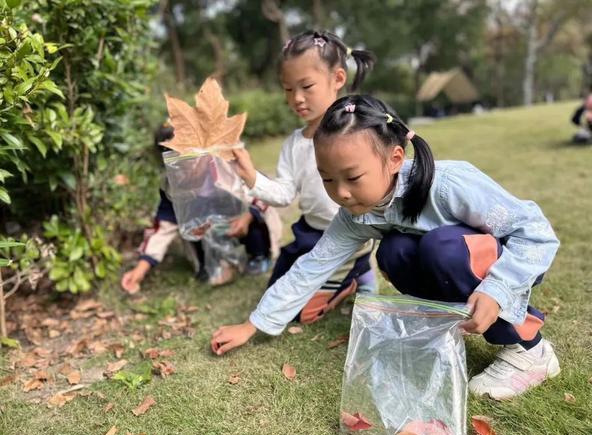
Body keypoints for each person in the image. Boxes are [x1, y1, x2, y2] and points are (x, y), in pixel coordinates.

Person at [212, 94, 561, 401]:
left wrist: (498, 288)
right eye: (328, 179)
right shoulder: (355, 214)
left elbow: (535, 232)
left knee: (443, 248)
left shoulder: (448, 185)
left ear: (395, 159)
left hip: (505, 266)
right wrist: (253, 324)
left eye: (353, 177)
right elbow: (311, 267)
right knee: (393, 252)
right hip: (459, 264)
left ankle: (530, 350)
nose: (341, 193)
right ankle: (445, 330)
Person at [231, 30, 378, 325]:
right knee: (273, 296)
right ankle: (355, 274)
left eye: (306, 86)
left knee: (302, 313)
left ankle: (357, 274)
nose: (296, 98)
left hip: (348, 237)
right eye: (287, 89)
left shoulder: (358, 132)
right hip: (310, 235)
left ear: (338, 79)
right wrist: (250, 177)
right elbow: (285, 194)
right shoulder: (294, 144)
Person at [121, 123, 281, 293]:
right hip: (212, 229)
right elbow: (163, 227)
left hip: (243, 220)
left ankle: (259, 254)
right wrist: (140, 270)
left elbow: (263, 191)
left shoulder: (227, 165)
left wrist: (248, 217)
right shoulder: (172, 187)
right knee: (190, 225)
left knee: (255, 222)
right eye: (174, 162)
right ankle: (212, 264)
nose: (183, 169)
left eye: (187, 157)